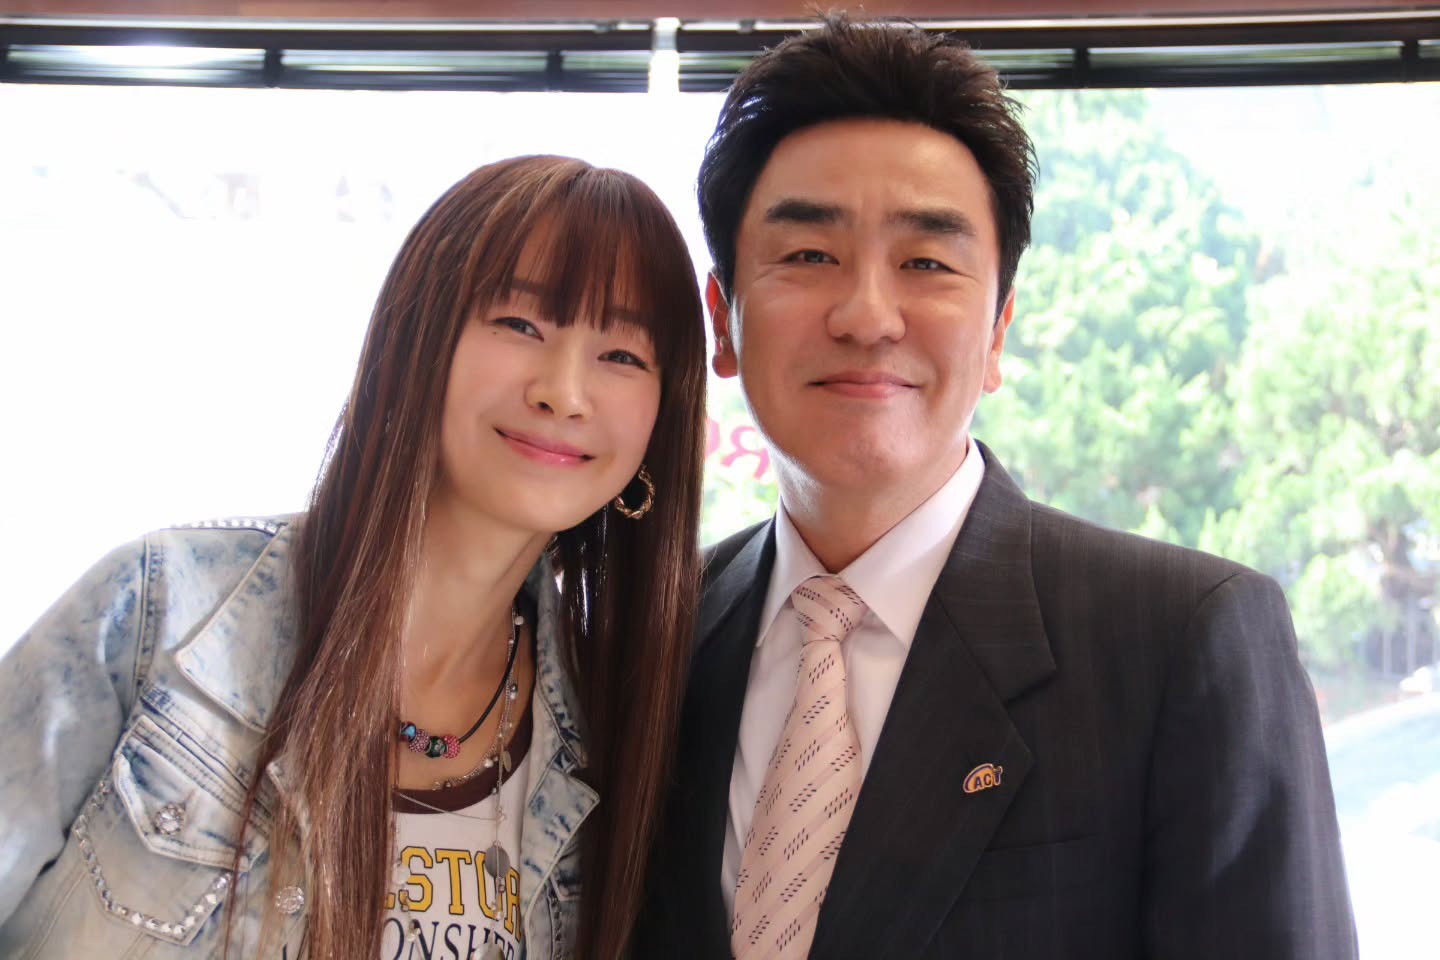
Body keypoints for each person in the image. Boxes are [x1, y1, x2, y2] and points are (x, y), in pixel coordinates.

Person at [635, 15, 1356, 960]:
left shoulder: (1184, 640)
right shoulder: (657, 638)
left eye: (927, 263)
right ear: (722, 321)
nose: (867, 315)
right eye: (809, 256)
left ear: (998, 330)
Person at [0, 154, 707, 959]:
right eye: (520, 324)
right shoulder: (162, 612)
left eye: (623, 356)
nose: (564, 392)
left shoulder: (606, 738)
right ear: (419, 337)